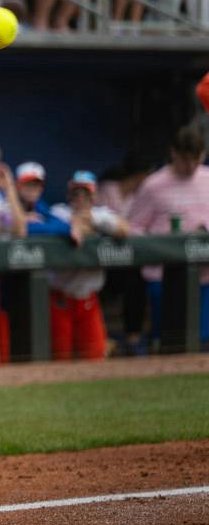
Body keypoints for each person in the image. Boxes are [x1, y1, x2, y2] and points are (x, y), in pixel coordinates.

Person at [127, 126, 209, 345]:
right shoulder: (154, 185)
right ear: (174, 153)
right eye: (185, 159)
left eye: (196, 159)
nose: (191, 166)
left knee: (203, 340)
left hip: (205, 275)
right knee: (168, 339)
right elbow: (133, 226)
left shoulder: (207, 178)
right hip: (163, 275)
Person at [48, 170, 127, 361]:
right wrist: (81, 225)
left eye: (85, 194)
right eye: (76, 194)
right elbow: (68, 224)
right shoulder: (58, 212)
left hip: (88, 301)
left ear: (93, 197)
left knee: (95, 358)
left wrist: (91, 221)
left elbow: (124, 229)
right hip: (60, 299)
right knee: (61, 359)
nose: (80, 198)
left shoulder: (101, 214)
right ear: (69, 196)